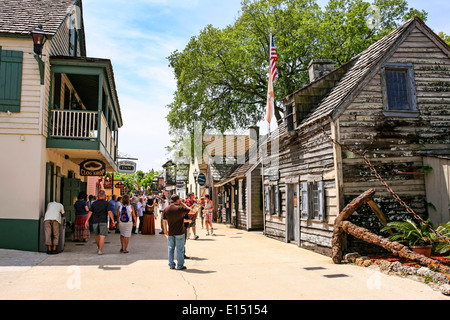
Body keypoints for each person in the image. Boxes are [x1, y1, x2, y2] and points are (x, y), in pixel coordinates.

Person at [163, 194, 192, 270]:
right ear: (178, 200)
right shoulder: (180, 209)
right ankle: (180, 265)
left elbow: (164, 221)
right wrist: (183, 204)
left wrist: (165, 230)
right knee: (180, 249)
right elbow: (191, 211)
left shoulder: (166, 209)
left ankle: (171, 264)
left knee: (171, 249)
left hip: (171, 232)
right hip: (180, 232)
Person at [85, 190, 115, 255]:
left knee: (97, 235)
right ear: (104, 196)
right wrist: (112, 220)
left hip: (95, 221)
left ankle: (99, 248)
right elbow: (109, 212)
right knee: (102, 236)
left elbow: (90, 212)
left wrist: (87, 220)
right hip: (103, 221)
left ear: (98, 196)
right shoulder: (107, 203)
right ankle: (100, 250)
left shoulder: (94, 203)